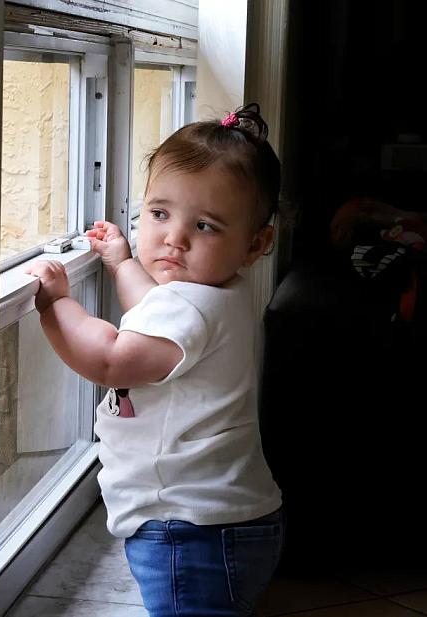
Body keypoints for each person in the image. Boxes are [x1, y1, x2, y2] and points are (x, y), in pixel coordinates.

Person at [25, 103, 285, 616]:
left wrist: (57, 304)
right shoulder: (217, 294)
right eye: (160, 214)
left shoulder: (190, 307)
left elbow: (109, 361)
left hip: (191, 530)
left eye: (206, 226)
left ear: (256, 244)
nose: (174, 238)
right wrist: (122, 261)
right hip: (219, 520)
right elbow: (152, 310)